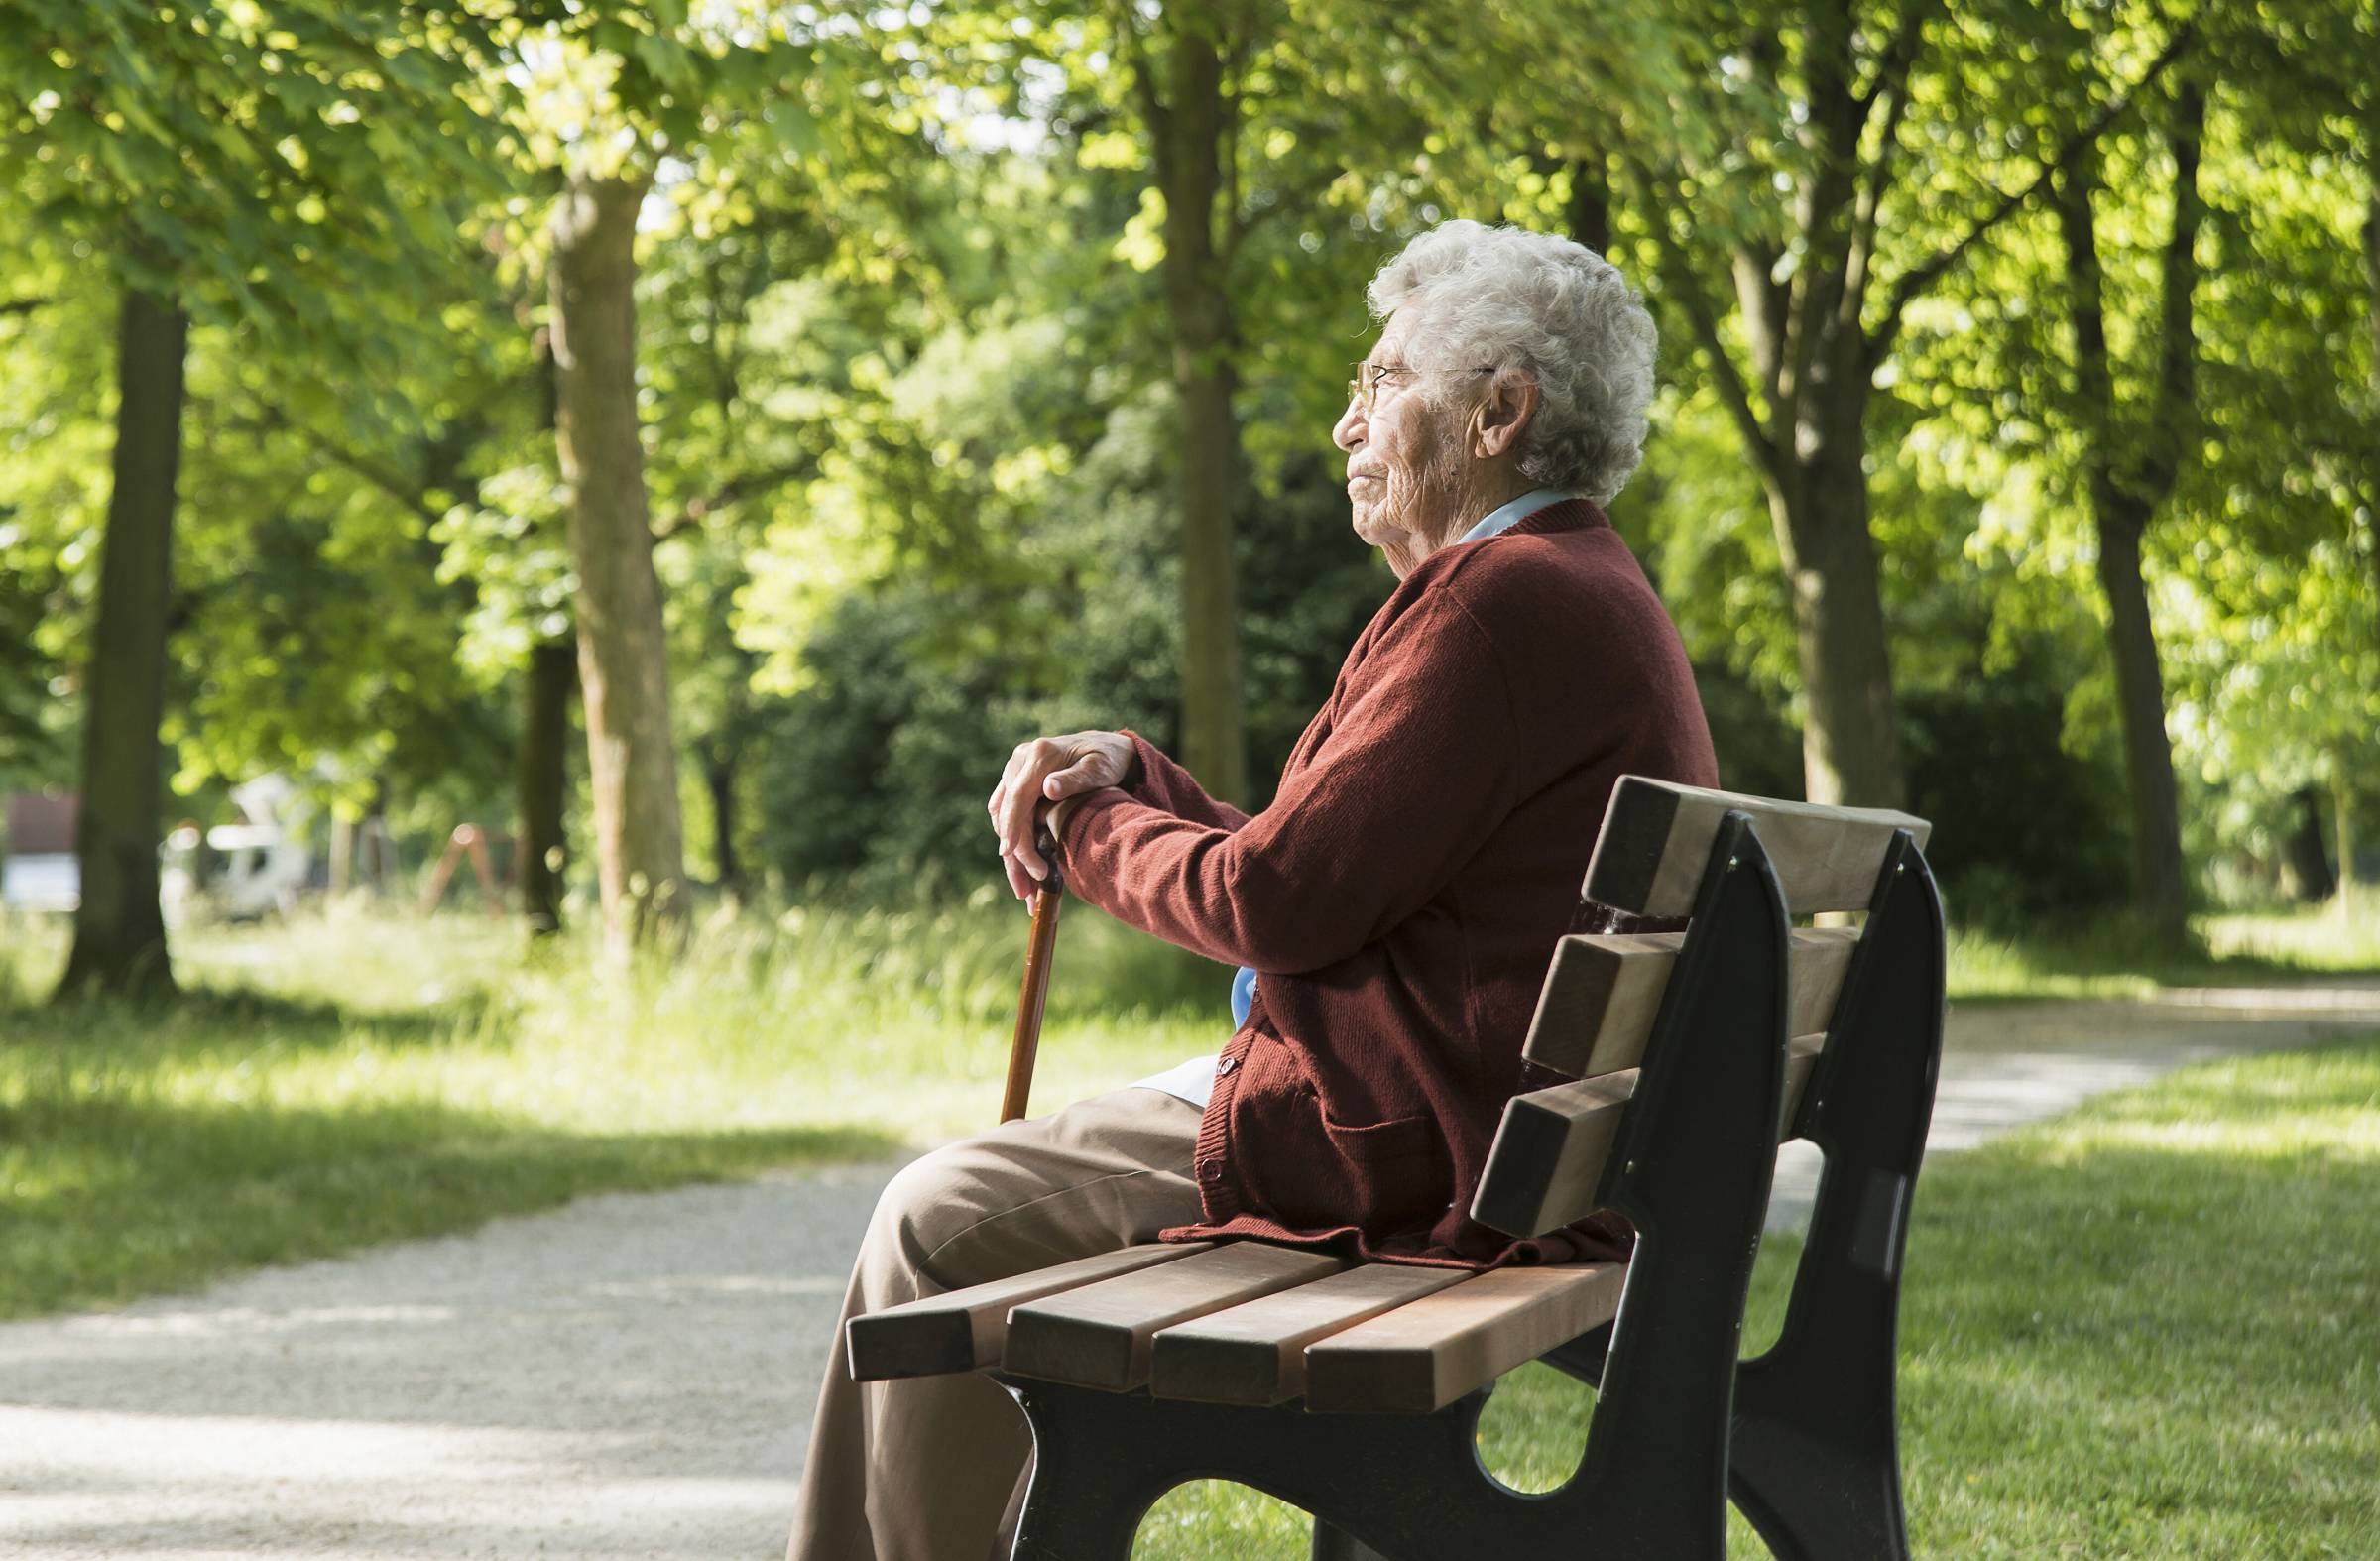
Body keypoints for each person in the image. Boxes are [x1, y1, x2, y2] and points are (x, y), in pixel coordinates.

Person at [786, 218, 1719, 1561]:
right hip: (1484, 1131)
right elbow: (1325, 869)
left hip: (1415, 1153)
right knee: (961, 1209)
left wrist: (1089, 823)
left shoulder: (1493, 607)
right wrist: (1134, 775)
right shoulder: (1572, 586)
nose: (1346, 423)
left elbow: (1277, 901)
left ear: (1502, 410)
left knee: (938, 1221)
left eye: (1382, 383)